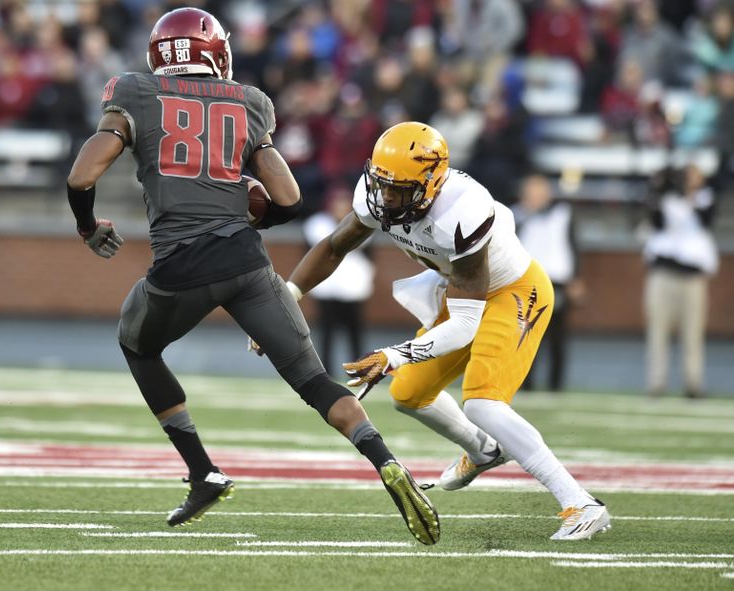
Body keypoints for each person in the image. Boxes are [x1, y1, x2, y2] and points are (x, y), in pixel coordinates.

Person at [65, 8, 438, 546]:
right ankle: (384, 460)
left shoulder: (135, 92)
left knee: (137, 344)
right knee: (314, 381)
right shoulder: (248, 102)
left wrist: (87, 227)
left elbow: (82, 174)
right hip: (247, 262)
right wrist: (251, 212)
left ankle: (202, 471)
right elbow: (287, 198)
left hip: (182, 265)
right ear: (214, 52)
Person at [283, 121, 610, 541]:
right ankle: (483, 451)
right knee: (408, 394)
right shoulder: (379, 195)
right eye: (381, 184)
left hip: (512, 292)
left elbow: (465, 326)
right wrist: (290, 293)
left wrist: (393, 355)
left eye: (398, 189)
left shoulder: (461, 210)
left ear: (430, 184)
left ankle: (579, 502)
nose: (385, 196)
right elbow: (334, 246)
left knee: (483, 404)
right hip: (460, 294)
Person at [643, 164, 718, 399]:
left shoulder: (705, 198)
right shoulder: (667, 198)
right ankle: (657, 383)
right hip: (663, 274)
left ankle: (693, 384)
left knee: (693, 333)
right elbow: (656, 221)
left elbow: (705, 220)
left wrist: (690, 195)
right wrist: (660, 187)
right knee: (658, 330)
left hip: (692, 277)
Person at [513, 174, 584, 392]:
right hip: (526, 282)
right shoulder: (515, 215)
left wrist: (575, 278)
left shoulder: (562, 214)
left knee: (556, 336)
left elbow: (572, 246)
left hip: (556, 280)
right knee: (525, 336)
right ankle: (525, 383)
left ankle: (556, 385)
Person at [302, 186, 375, 373]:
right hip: (327, 286)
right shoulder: (317, 224)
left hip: (353, 287)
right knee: (326, 332)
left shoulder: (361, 225)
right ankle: (325, 372)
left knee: (355, 332)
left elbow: (368, 255)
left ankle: (359, 370)